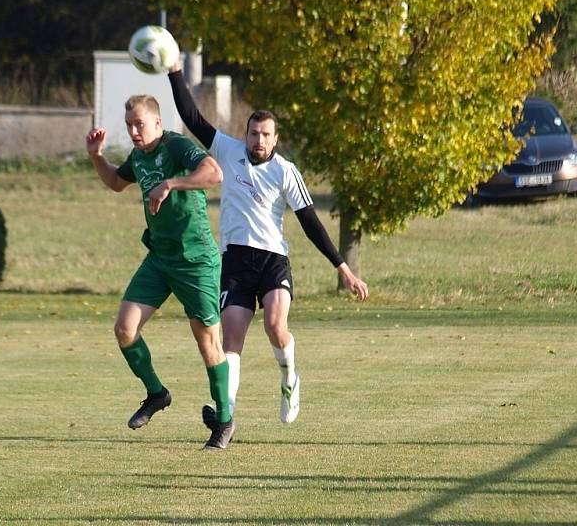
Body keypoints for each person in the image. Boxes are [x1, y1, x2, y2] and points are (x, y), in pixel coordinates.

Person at [167, 62, 369, 426]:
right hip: (236, 261)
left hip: (273, 260)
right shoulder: (228, 152)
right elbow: (192, 117)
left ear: (275, 139)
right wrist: (175, 72)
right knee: (231, 339)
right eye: (254, 133)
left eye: (265, 135)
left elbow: (311, 223)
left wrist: (344, 269)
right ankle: (226, 415)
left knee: (276, 326)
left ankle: (290, 379)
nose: (258, 141)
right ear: (245, 134)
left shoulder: (286, 172)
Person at [85, 93, 235, 450]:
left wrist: (171, 183)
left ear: (157, 123)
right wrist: (96, 157)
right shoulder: (139, 156)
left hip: (196, 259)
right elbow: (115, 183)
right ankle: (157, 393)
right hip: (159, 259)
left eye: (140, 124)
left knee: (207, 342)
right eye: (129, 126)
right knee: (125, 329)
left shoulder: (177, 146)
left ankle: (225, 420)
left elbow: (214, 173)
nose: (134, 131)